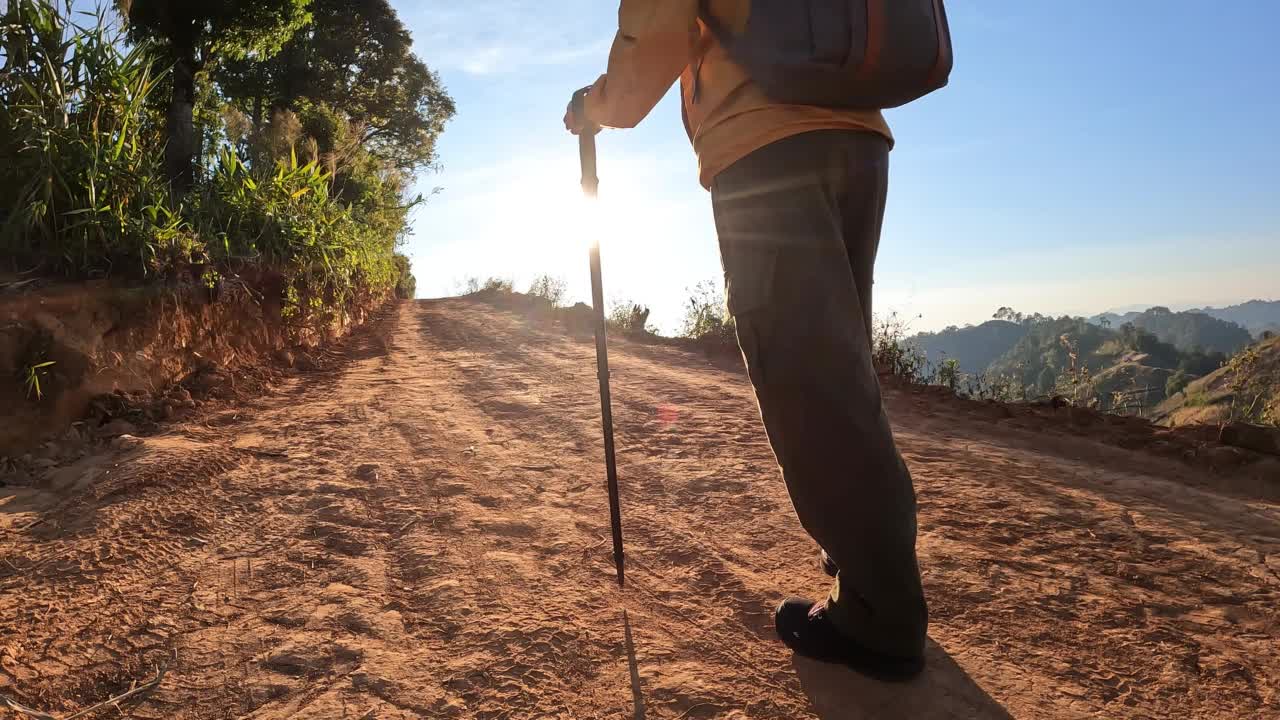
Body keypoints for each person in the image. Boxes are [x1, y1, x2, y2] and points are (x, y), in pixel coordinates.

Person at [564, 0, 930, 680]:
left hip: (765, 148)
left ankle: (881, 614)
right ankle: (865, 555)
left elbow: (657, 34)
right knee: (840, 371)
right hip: (857, 138)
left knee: (810, 383)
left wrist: (594, 105)